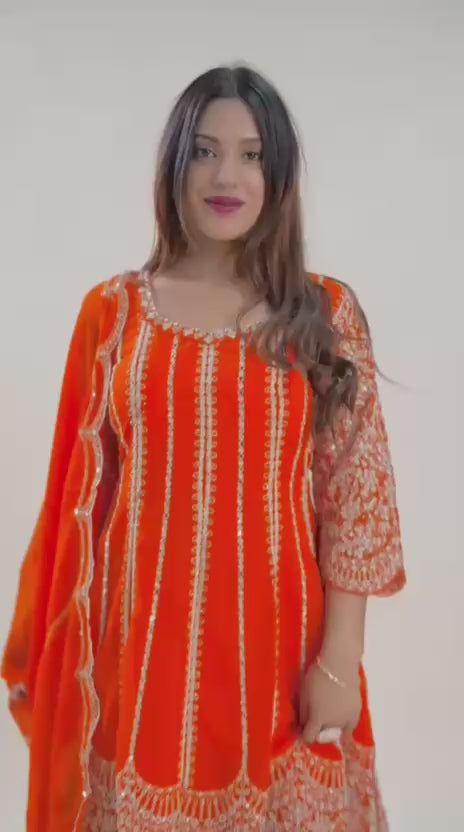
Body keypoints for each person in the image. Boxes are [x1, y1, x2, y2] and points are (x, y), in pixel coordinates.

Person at [1, 64, 406, 831]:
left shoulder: (321, 312)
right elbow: (74, 504)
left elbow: (354, 496)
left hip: (280, 656)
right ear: (174, 164)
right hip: (138, 665)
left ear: (279, 174)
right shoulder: (115, 312)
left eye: (252, 155)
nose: (227, 177)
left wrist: (340, 658)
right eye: (205, 151)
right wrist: (48, 653)